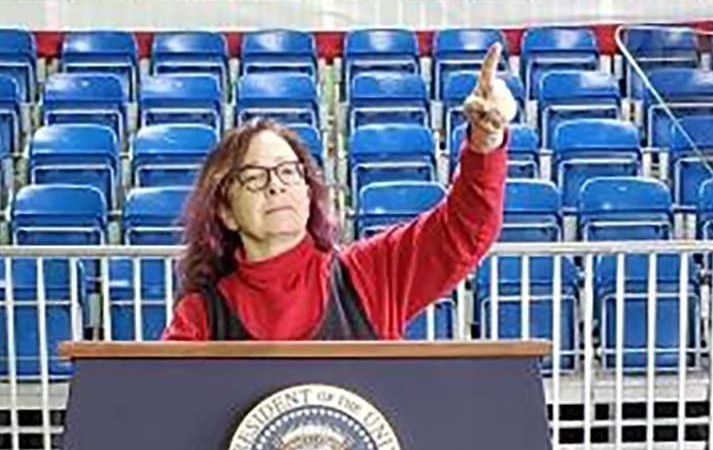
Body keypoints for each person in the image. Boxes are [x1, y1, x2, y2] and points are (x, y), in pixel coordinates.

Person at [163, 41, 520, 341]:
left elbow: (462, 231)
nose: (275, 185)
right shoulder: (199, 318)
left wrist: (485, 143)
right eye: (254, 176)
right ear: (225, 210)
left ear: (308, 192)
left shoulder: (372, 272)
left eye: (288, 171)